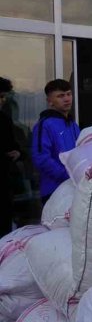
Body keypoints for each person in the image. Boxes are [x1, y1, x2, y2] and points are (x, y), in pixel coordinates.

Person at [32, 79, 79, 205]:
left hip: (75, 188)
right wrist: (68, 175)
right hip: (53, 191)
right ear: (50, 101)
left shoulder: (73, 125)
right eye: (60, 96)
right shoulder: (44, 125)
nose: (67, 99)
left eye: (69, 94)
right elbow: (41, 158)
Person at [1, 77, 21, 235]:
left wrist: (18, 152)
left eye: (4, 96)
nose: (3, 100)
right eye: (0, 96)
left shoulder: (4, 120)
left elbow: (14, 145)